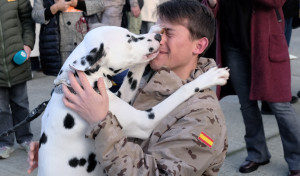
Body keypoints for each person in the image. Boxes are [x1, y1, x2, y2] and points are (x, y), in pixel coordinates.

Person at [28, 0, 228, 175]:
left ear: (199, 46)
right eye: (158, 31)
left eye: (169, 33)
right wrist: (62, 149)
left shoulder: (203, 116)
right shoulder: (149, 78)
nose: (159, 38)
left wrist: (100, 123)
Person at [204, 0, 300, 175]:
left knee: (280, 105)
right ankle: (257, 153)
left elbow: (276, 2)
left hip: (266, 44)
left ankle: (297, 159)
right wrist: (211, 3)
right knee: (247, 104)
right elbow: (210, 10)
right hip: (233, 45)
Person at [32, 0, 137, 76]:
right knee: (60, 83)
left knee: (83, 80)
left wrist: (76, 3)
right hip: (57, 47)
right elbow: (36, 16)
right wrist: (55, 8)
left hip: (82, 44)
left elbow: (99, 5)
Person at [0, 0, 35, 159]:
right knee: (1, 109)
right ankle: (5, 142)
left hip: (17, 59)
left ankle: (25, 138)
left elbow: (28, 20)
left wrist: (27, 45)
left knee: (21, 103)